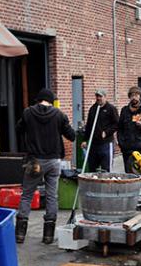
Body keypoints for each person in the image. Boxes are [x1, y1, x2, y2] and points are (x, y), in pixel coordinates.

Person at [15, 88, 75, 245]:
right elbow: (71, 135)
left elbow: (18, 129)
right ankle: (48, 236)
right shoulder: (59, 115)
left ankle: (20, 234)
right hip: (54, 161)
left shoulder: (28, 113)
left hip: (34, 161)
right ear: (51, 101)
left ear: (38, 100)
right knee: (51, 196)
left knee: (27, 195)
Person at [117, 85, 141, 173]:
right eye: (132, 95)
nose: (134, 97)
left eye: (136, 95)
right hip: (127, 148)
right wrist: (121, 143)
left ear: (140, 96)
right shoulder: (125, 110)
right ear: (129, 97)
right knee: (128, 174)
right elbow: (120, 128)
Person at [81, 89, 119, 172]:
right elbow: (89, 125)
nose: (98, 98)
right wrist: (85, 140)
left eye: (100, 96)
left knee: (106, 169)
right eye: (97, 96)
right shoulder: (93, 109)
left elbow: (116, 124)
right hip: (93, 144)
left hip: (106, 143)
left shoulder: (111, 109)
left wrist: (107, 132)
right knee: (92, 168)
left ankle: (107, 184)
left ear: (105, 97)